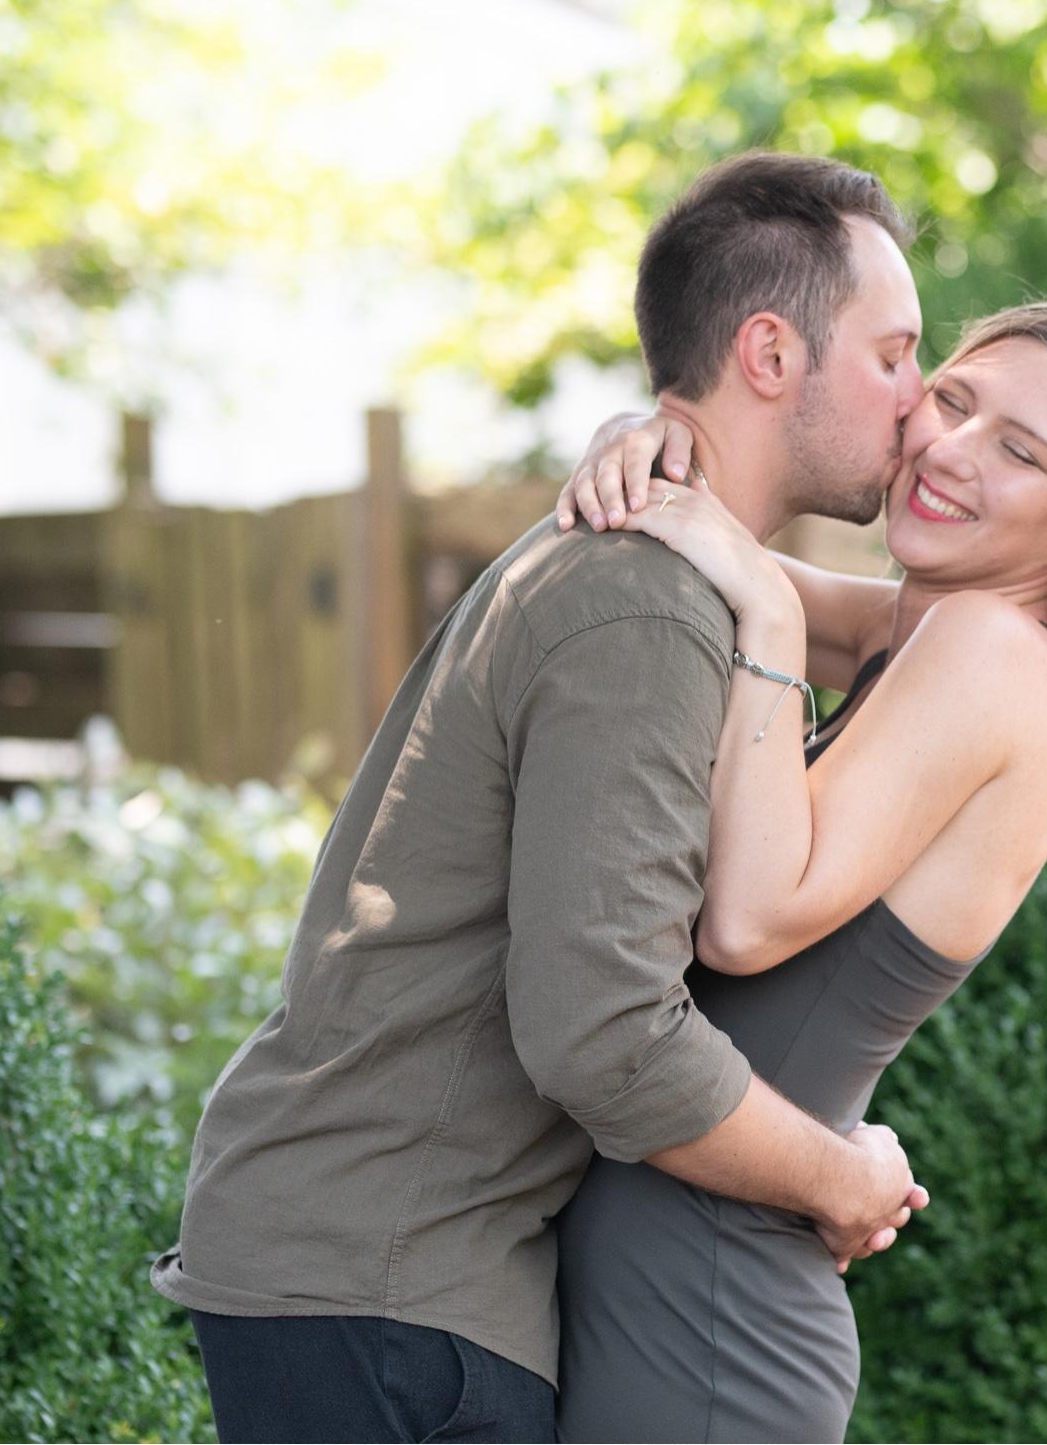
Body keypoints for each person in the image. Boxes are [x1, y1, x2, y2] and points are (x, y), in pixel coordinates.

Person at [150, 152, 939, 1444]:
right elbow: (608, 1037)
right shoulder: (646, 608)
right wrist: (842, 1178)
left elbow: (927, 641)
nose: (921, 403)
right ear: (768, 352)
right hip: (384, 1287)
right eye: (895, 355)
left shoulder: (671, 569)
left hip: (384, 1270)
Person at [545, 300, 1047, 1441]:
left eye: (1020, 451)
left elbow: (747, 923)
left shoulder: (992, 653)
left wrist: (766, 611)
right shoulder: (916, 630)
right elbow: (669, 536)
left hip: (711, 1324)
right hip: (672, 1283)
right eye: (952, 400)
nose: (949, 450)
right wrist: (636, 439)